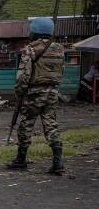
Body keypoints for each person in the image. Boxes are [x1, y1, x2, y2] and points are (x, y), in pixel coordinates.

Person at [7, 17, 64, 174]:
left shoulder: (30, 49)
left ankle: (20, 159)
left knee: (26, 124)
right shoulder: (59, 49)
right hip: (53, 92)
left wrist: (19, 93)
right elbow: (61, 72)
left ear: (36, 31)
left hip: (34, 93)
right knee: (51, 124)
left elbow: (22, 77)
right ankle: (58, 162)